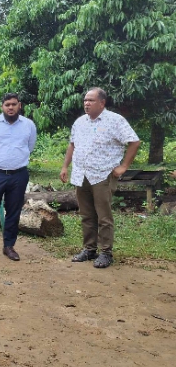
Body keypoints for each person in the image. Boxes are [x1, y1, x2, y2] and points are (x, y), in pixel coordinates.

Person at [60, 87, 140, 268]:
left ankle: (106, 253)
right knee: (86, 214)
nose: (86, 103)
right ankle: (89, 249)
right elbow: (72, 144)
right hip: (82, 174)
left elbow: (134, 141)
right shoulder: (80, 122)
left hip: (103, 174)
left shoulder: (115, 120)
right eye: (85, 100)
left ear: (102, 103)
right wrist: (65, 166)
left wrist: (124, 166)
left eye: (91, 100)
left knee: (103, 216)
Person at [0, 92, 37, 262]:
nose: (10, 107)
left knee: (13, 212)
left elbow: (30, 146)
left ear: (19, 105)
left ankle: (9, 247)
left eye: (14, 104)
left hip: (19, 175)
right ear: (2, 106)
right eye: (7, 105)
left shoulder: (29, 125)